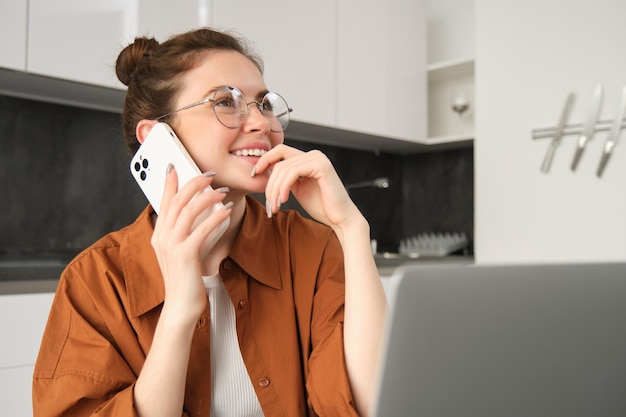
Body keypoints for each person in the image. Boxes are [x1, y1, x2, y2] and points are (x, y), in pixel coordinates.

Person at [32, 27, 387, 417]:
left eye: (264, 104)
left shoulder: (311, 248)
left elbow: (373, 405)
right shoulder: (95, 280)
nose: (261, 123)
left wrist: (351, 228)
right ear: (157, 137)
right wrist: (180, 312)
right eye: (225, 101)